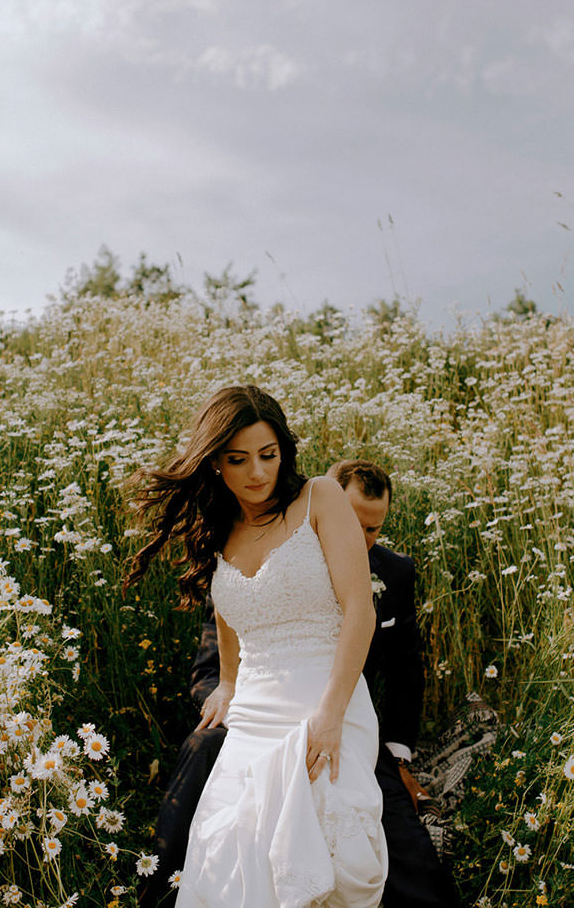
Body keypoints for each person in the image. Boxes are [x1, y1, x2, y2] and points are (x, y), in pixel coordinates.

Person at [142, 460, 456, 908]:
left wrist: (400, 751)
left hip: (344, 720)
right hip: (251, 712)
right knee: (203, 769)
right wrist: (229, 694)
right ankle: (159, 889)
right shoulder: (262, 547)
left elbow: (407, 670)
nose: (361, 538)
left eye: (373, 529)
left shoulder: (396, 571)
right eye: (352, 521)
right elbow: (216, 660)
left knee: (404, 855)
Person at [127, 386, 387, 907]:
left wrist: (332, 713)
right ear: (216, 463)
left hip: (326, 699)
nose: (257, 473)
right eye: (238, 459)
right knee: (229, 850)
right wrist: (227, 681)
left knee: (330, 858)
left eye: (268, 455)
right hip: (252, 713)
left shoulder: (319, 497)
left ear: (284, 450)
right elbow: (232, 608)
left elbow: (361, 610)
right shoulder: (218, 526)